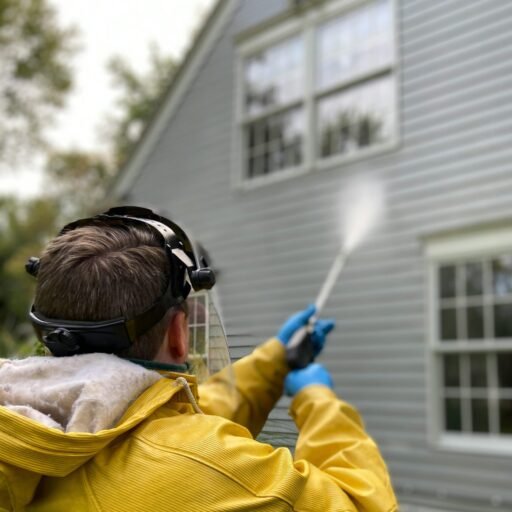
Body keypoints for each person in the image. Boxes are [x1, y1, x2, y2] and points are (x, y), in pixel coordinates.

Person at [0, 206, 397, 511]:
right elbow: (361, 503)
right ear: (177, 333)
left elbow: (175, 425)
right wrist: (318, 400)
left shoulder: (36, 423)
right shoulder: (199, 469)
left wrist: (277, 359)